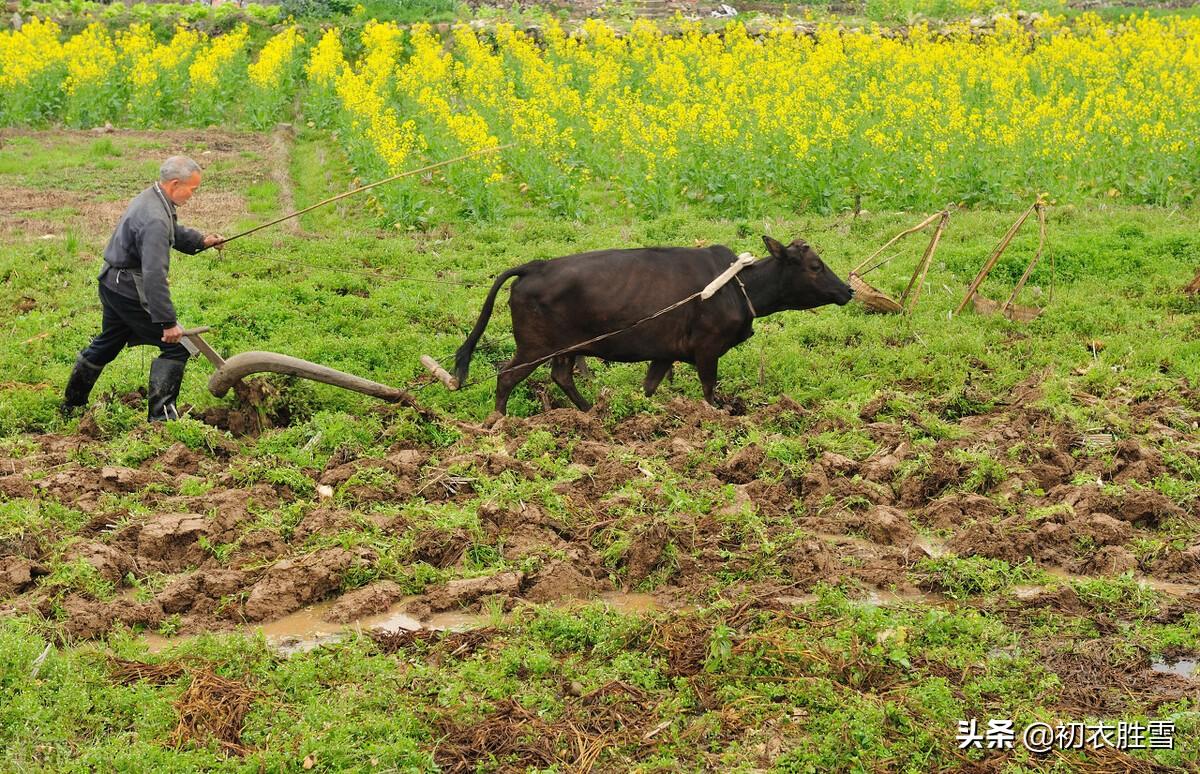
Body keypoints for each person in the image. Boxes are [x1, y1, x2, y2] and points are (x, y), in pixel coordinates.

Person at [62, 156, 224, 421]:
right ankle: (161, 421)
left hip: (112, 282)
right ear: (175, 184)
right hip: (128, 289)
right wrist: (168, 323)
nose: (193, 195)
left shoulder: (153, 198)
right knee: (178, 346)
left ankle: (72, 404)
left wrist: (201, 241)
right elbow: (154, 276)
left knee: (107, 343)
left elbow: (174, 231)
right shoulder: (155, 219)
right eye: (193, 190)